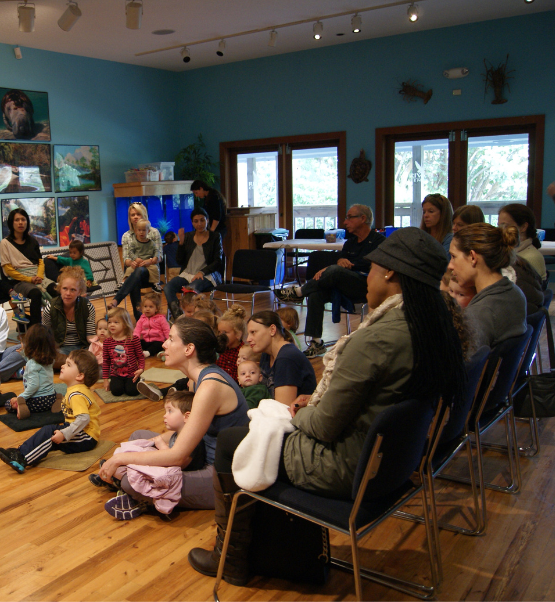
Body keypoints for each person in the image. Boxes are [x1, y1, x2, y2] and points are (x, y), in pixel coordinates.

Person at [190, 227, 465, 586]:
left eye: (373, 267)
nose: (366, 277)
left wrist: (301, 410)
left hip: (348, 467)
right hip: (394, 464)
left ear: (391, 272)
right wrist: (312, 403)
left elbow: (322, 428)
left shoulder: (377, 338)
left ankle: (231, 557)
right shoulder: (430, 325)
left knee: (232, 441)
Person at [99, 317, 250, 512]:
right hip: (198, 455)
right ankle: (129, 485)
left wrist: (120, 460)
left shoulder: (210, 386)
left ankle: (132, 491)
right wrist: (155, 442)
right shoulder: (196, 380)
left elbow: (179, 456)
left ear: (189, 349)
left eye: (171, 339)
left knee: (131, 480)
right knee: (138, 436)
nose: (164, 344)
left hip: (221, 476)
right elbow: (189, 435)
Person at [275, 204, 386, 357]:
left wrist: (340, 266)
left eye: (349, 217)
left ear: (363, 219)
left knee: (334, 270)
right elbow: (340, 261)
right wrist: (337, 264)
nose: (345, 222)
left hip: (365, 285)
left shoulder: (379, 241)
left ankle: (299, 292)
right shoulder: (350, 243)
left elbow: (374, 265)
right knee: (316, 292)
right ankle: (316, 342)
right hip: (345, 283)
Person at [98, 390, 208, 520]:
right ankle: (115, 476)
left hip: (179, 476)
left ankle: (131, 495)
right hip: (169, 466)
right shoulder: (178, 434)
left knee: (135, 477)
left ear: (187, 416)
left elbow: (176, 464)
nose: (164, 416)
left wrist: (161, 447)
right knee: (138, 438)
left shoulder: (192, 440)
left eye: (170, 411)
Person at [0, 349, 101, 473]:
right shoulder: (76, 390)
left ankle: (22, 458)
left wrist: (65, 433)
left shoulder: (77, 394)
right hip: (78, 430)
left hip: (86, 436)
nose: (62, 366)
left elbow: (84, 419)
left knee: (50, 434)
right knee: (49, 430)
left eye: (68, 365)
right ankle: (21, 452)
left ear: (79, 376)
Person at [449, 223, 527, 348]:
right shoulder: (515, 293)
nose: (450, 265)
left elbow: (465, 365)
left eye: (453, 257)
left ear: (473, 257)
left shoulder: (480, 313)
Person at [0, 208, 58, 328]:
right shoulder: (5, 243)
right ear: (11, 223)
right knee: (36, 293)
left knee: (57, 290)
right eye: (17, 220)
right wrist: (29, 279)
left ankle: (58, 324)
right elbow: (8, 269)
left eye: (23, 219)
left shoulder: (33, 241)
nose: (20, 222)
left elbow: (40, 262)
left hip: (39, 277)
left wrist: (39, 277)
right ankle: (36, 330)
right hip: (19, 281)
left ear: (27, 222)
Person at [164, 208, 224, 319]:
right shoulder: (187, 237)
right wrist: (181, 243)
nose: (199, 224)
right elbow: (179, 261)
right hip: (187, 273)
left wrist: (202, 272)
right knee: (168, 287)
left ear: (207, 220)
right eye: (196, 221)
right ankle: (178, 316)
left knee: (191, 288)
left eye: (202, 220)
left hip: (207, 275)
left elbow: (218, 261)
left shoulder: (215, 237)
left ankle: (194, 316)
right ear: (192, 222)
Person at [246, 311, 316, 406]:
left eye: (253, 332)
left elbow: (282, 410)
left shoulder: (287, 358)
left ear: (272, 330)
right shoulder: (267, 354)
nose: (248, 339)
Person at [110, 203, 163, 321]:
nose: (135, 217)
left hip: (151, 272)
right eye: (132, 215)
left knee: (137, 274)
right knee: (135, 276)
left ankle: (117, 300)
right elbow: (126, 260)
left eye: (138, 214)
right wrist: (132, 262)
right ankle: (139, 317)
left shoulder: (153, 232)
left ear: (143, 214)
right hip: (135, 271)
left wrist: (149, 261)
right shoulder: (126, 236)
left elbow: (159, 257)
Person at [42, 266, 97, 370]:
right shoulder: (50, 308)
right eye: (65, 289)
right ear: (60, 288)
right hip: (60, 350)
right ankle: (77, 365)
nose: (68, 293)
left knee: (97, 355)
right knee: (48, 359)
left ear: (79, 291)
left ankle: (72, 365)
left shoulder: (87, 307)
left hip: (81, 348)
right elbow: (46, 336)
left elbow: (90, 335)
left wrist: (100, 344)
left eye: (73, 290)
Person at [6, 324, 59, 420]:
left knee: (8, 403)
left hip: (37, 401)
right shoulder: (50, 360)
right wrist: (24, 355)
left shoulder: (32, 364)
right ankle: (58, 400)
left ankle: (22, 408)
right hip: (51, 398)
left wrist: (20, 398)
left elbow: (34, 386)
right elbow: (35, 363)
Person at [497, 203, 547, 281]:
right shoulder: (506, 253)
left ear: (523, 227)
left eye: (505, 226)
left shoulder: (531, 258)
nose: (500, 230)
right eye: (499, 226)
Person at [103, 307, 144, 397]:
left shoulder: (133, 339)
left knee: (132, 392)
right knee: (116, 391)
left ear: (125, 324)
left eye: (116, 322)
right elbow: (106, 361)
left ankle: (140, 381)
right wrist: (106, 380)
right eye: (109, 322)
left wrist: (141, 369)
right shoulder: (107, 342)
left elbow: (140, 356)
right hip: (116, 374)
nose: (111, 325)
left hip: (132, 374)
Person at [134, 291, 169, 358]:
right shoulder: (142, 318)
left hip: (157, 341)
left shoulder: (161, 318)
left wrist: (169, 341)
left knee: (159, 345)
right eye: (145, 306)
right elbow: (137, 330)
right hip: (145, 341)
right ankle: (137, 352)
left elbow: (166, 330)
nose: (147, 309)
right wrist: (135, 340)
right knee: (138, 342)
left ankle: (148, 353)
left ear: (156, 308)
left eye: (151, 307)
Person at [215, 306, 246, 381]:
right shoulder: (220, 349)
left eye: (225, 332)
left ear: (238, 334)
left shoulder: (243, 352)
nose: (221, 335)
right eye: (219, 332)